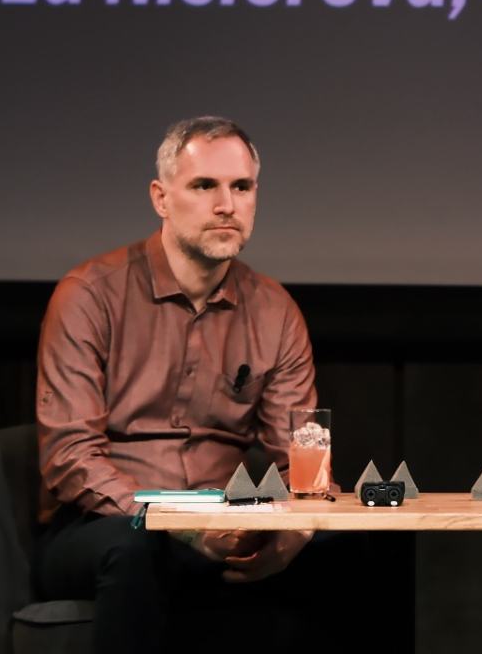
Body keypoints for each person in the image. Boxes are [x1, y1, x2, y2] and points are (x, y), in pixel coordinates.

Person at [33, 116, 320, 652]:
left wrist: (293, 536)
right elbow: (71, 457)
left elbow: (300, 459)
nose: (226, 205)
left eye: (242, 187)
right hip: (103, 522)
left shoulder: (275, 311)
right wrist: (179, 525)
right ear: (161, 199)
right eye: (204, 186)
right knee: (136, 548)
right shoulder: (89, 295)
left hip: (221, 520)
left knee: (349, 548)